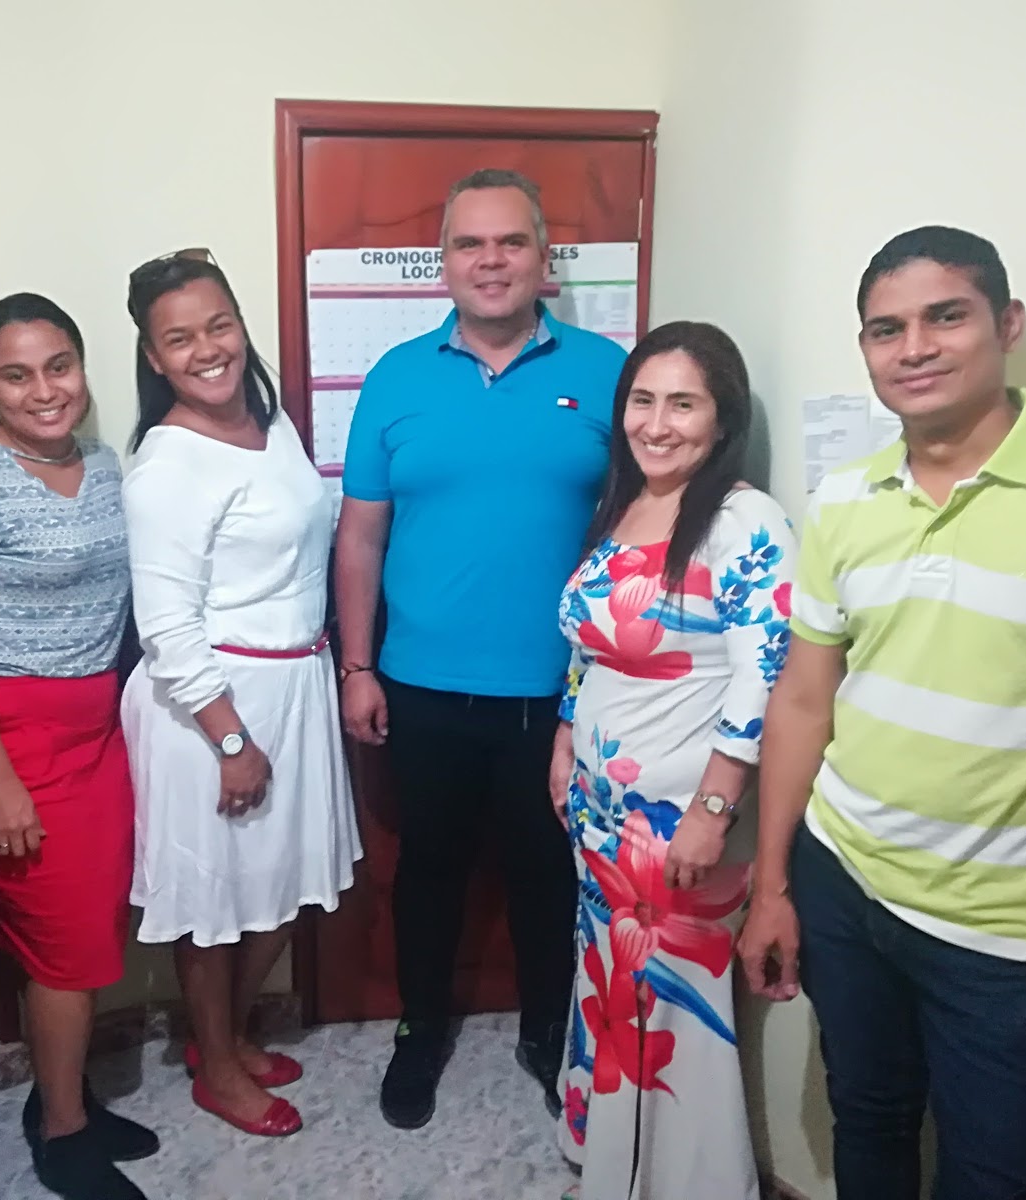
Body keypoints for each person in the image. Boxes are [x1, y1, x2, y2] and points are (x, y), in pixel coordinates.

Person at [738, 226, 1026, 1200]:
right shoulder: (845, 497)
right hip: (843, 880)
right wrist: (773, 883)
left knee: (995, 1178)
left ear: (1006, 324)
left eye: (944, 317)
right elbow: (805, 698)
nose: (914, 348)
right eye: (886, 329)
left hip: (1000, 932)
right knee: (866, 1119)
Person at [335, 167, 627, 1128]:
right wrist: (356, 666)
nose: (490, 260)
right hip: (420, 688)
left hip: (561, 695)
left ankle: (547, 1032)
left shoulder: (609, 373)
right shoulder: (396, 377)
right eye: (470, 243)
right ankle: (420, 1031)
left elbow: (642, 524)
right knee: (427, 872)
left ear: (545, 260)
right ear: (444, 263)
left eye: (511, 242)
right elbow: (361, 536)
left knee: (549, 875)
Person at [0, 294, 157, 1200]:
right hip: (15, 736)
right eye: (16, 375)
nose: (45, 390)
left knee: (88, 934)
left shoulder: (103, 463)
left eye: (59, 366)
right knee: (65, 948)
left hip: (98, 729)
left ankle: (68, 1096)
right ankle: (62, 1134)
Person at [121, 252, 362, 1139]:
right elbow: (166, 627)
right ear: (155, 357)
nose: (208, 349)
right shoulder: (166, 466)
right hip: (212, 705)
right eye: (180, 338)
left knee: (285, 883)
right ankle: (217, 1067)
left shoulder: (269, 418)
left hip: (295, 684)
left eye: (219, 325)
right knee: (214, 904)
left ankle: (223, 1036)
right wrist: (230, 740)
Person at [552, 321, 792, 1200]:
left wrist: (715, 809)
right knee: (611, 978)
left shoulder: (743, 520)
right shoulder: (625, 503)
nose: (656, 425)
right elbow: (589, 644)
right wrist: (566, 735)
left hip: (679, 821)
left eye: (683, 404)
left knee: (675, 1013)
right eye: (642, 402)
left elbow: (766, 672)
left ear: (722, 419)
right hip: (601, 811)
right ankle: (613, 1166)